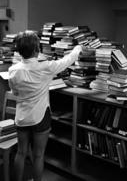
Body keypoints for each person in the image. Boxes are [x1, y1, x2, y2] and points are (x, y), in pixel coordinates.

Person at [8, 30, 83, 181]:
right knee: (38, 155)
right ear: (37, 50)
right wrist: (77, 49)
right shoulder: (46, 67)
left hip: (22, 117)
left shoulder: (12, 70)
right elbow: (66, 61)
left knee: (21, 153)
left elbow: (15, 92)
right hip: (40, 117)